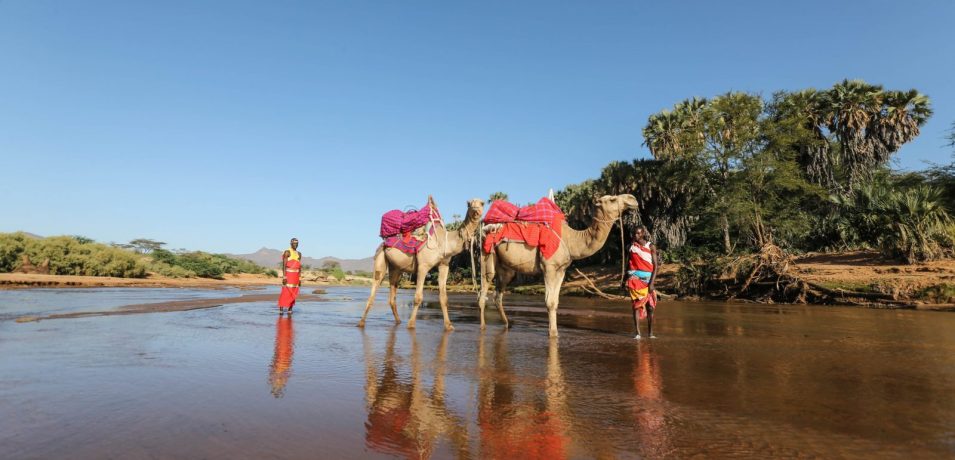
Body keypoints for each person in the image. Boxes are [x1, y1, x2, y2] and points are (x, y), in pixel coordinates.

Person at [626, 226, 658, 339]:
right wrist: (624, 279)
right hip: (634, 279)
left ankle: (651, 333)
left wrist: (652, 283)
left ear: (643, 233)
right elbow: (627, 264)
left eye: (639, 233)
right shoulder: (631, 247)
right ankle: (638, 333)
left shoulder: (650, 246)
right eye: (635, 234)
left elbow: (655, 266)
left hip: (648, 280)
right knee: (635, 306)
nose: (636, 236)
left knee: (650, 307)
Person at [278, 238, 302, 315]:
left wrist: (300, 278)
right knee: (285, 291)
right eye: (294, 243)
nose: (296, 245)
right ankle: (281, 309)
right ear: (291, 244)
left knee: (294, 292)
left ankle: (290, 309)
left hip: (296, 276)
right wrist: (284, 277)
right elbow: (284, 266)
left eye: (297, 243)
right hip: (288, 275)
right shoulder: (287, 252)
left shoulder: (299, 254)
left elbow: (300, 267)